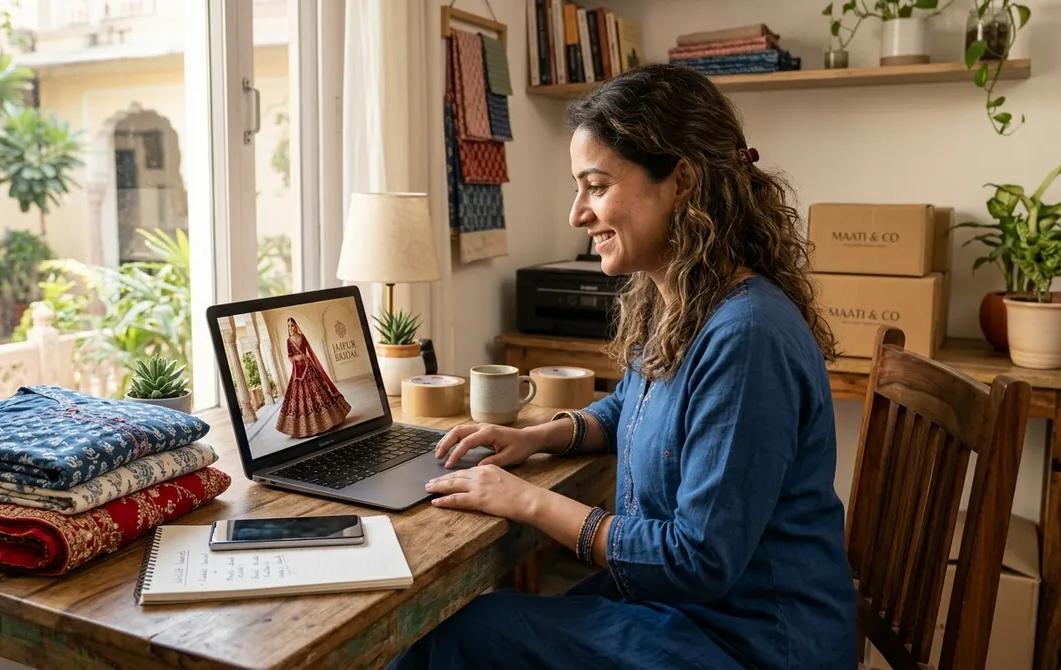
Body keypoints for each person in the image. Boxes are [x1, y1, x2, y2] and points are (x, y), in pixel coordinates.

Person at [390, 64, 857, 669]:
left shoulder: (747, 337)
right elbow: (633, 406)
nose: (576, 214)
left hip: (753, 642)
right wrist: (536, 436)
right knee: (476, 628)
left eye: (597, 185)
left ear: (681, 181)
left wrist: (529, 502)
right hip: (691, 612)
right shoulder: (682, 300)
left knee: (460, 636)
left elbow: (697, 559)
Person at [275, 317, 351, 438]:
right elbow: (289, 356)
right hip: (298, 372)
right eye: (289, 326)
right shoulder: (288, 341)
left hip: (308, 367)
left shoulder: (302, 337)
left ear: (296, 325)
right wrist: (296, 358)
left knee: (319, 392)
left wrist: (306, 359)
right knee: (299, 398)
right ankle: (306, 428)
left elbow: (309, 351)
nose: (291, 328)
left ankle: (327, 421)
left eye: (292, 325)